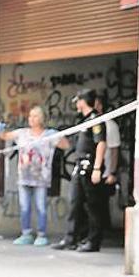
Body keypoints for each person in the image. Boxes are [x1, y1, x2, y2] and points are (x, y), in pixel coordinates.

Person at [0, 106, 70, 246]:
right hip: (24, 177)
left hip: (41, 179)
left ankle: (41, 235)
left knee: (41, 207)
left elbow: (66, 145)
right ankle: (26, 234)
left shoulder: (48, 135)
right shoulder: (22, 133)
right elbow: (5, 136)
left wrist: (58, 135)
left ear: (41, 119)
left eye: (35, 116)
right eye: (30, 116)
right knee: (24, 207)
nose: (31, 119)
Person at [52, 89, 107, 252]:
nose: (76, 104)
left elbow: (101, 143)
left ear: (83, 101)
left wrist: (97, 168)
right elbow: (75, 145)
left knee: (92, 206)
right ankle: (71, 239)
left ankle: (93, 241)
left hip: (90, 167)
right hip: (78, 166)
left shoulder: (95, 119)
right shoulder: (82, 121)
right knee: (74, 203)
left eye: (78, 101)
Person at [95, 93, 120, 233]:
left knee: (102, 204)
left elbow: (115, 150)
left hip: (104, 171)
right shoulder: (90, 123)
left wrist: (112, 172)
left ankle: (104, 232)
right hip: (92, 171)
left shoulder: (110, 126)